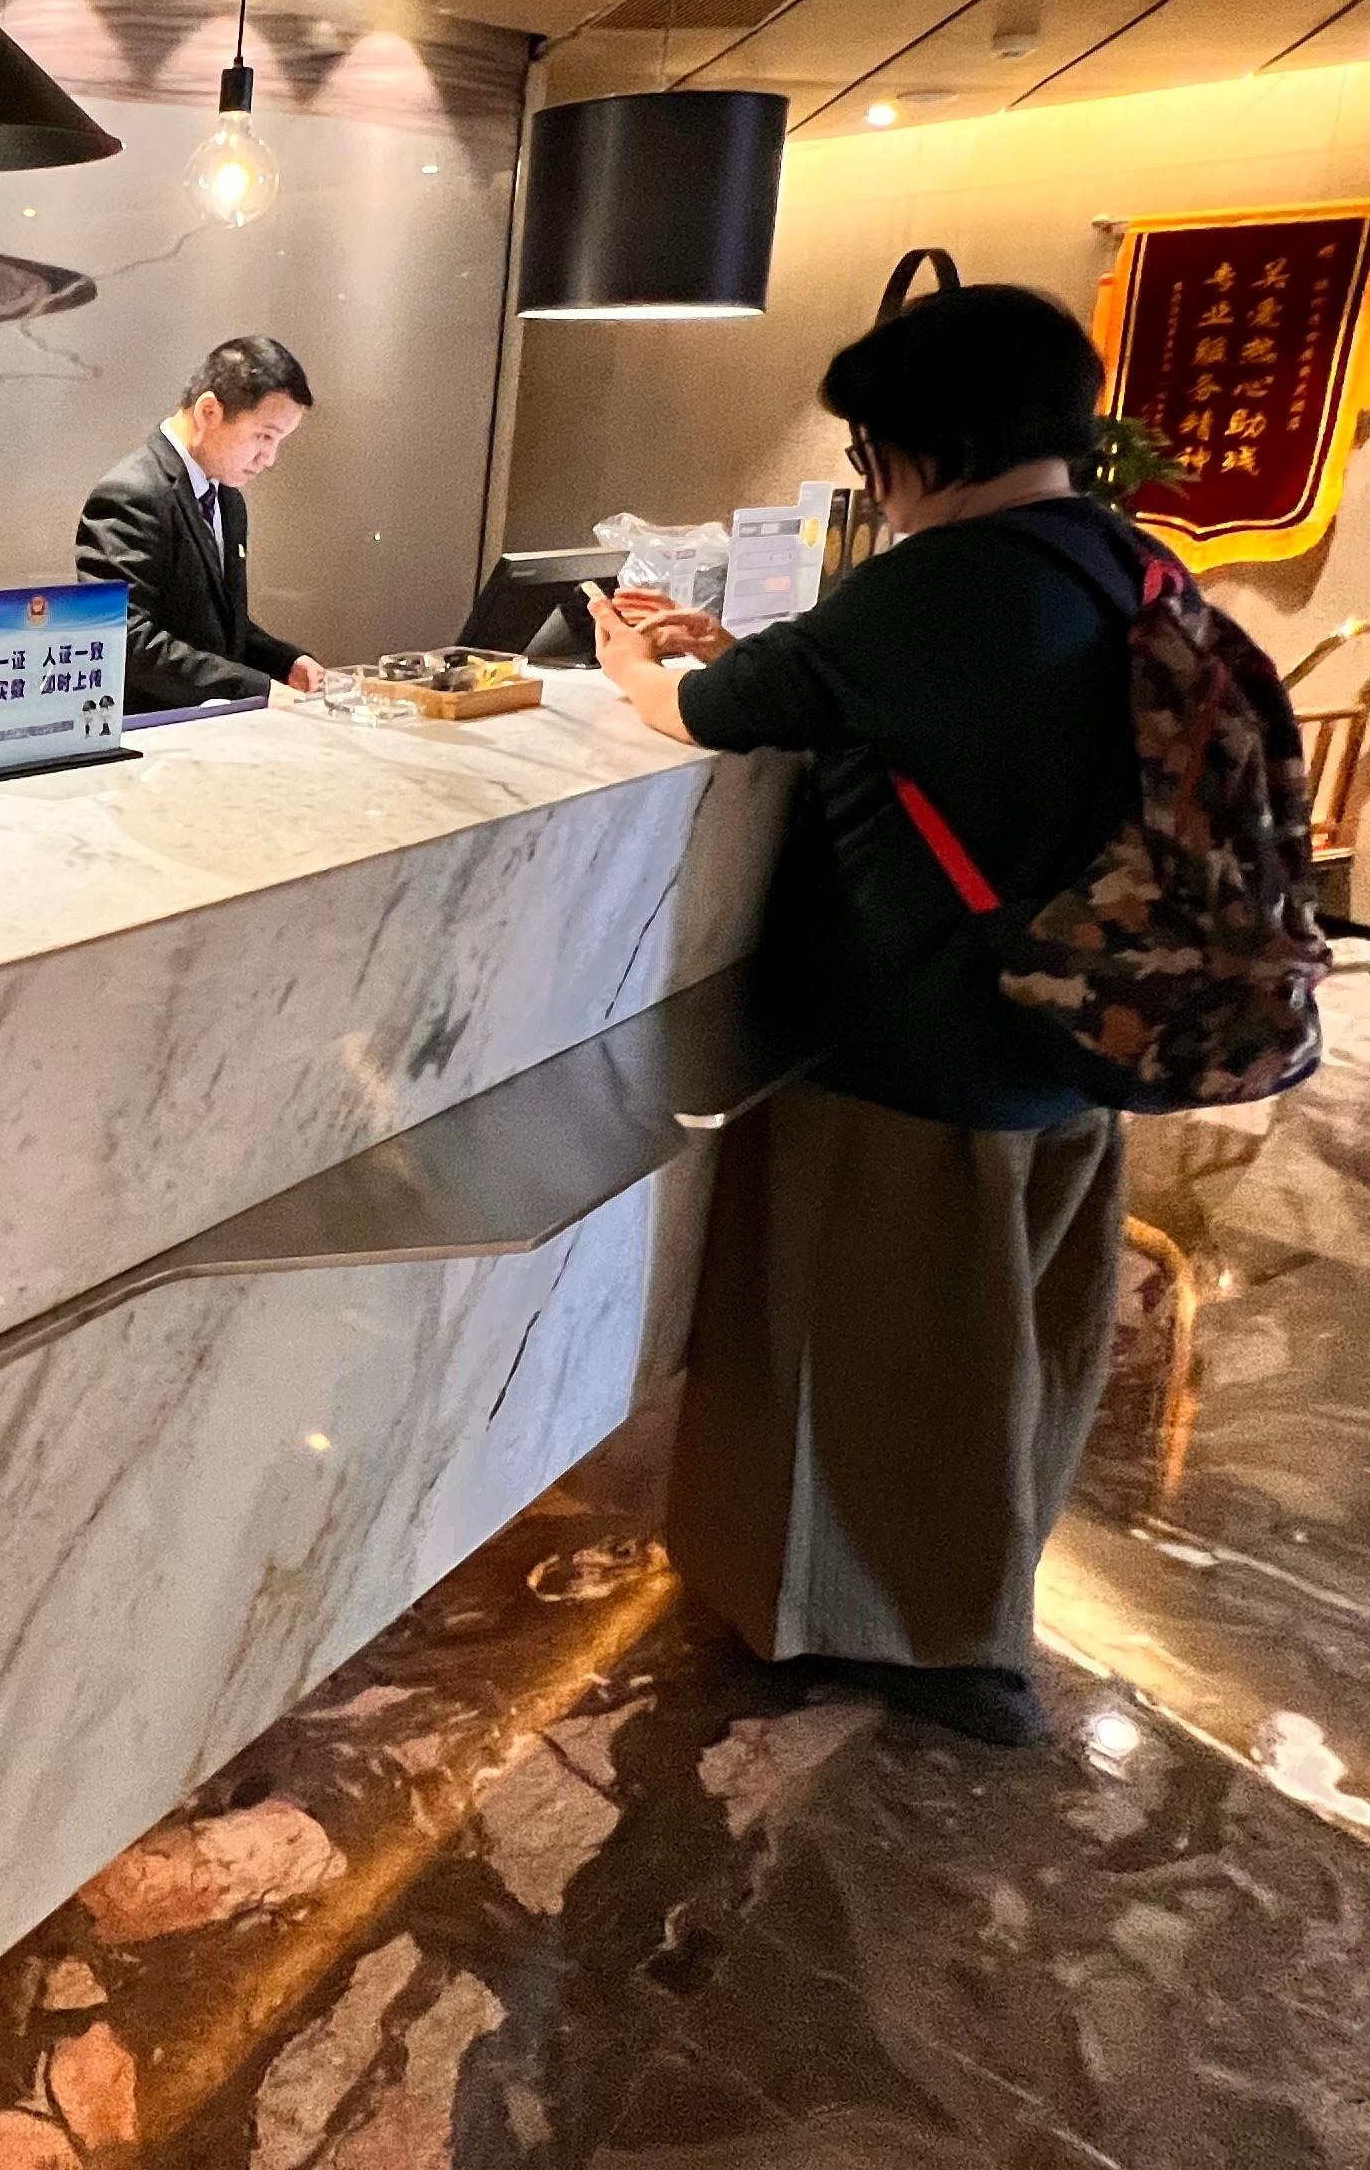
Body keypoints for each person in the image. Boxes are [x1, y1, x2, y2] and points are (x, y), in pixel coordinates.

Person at [580, 282, 1140, 1749]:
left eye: (870, 449)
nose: (871, 479)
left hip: (917, 1044)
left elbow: (706, 716)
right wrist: (731, 644)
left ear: (923, 444)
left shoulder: (945, 583)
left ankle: (898, 1633)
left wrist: (635, 664)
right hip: (1071, 1035)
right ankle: (967, 1602)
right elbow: (877, 701)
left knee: (866, 1353)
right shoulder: (1113, 559)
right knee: (1001, 1353)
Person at [77, 335, 326, 712]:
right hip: (152, 732)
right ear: (209, 411)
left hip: (212, 729)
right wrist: (254, 689)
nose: (269, 458)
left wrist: (283, 662)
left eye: (279, 441)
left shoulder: (227, 497)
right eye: (263, 436)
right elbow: (124, 639)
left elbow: (219, 626)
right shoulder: (130, 493)